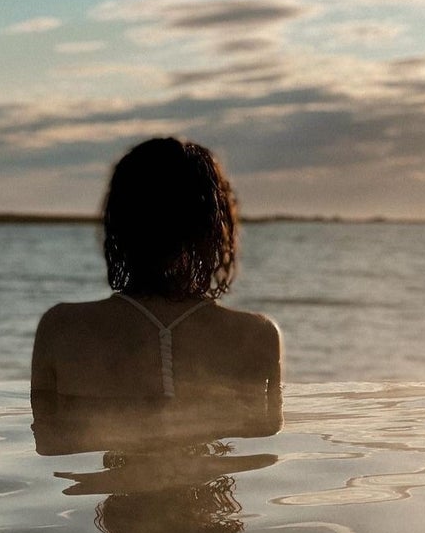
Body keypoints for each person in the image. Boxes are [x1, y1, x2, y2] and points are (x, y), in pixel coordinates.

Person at [30, 137, 282, 448]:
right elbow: (263, 446)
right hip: (205, 491)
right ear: (214, 229)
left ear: (119, 223)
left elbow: (48, 444)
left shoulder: (60, 328)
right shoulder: (257, 335)